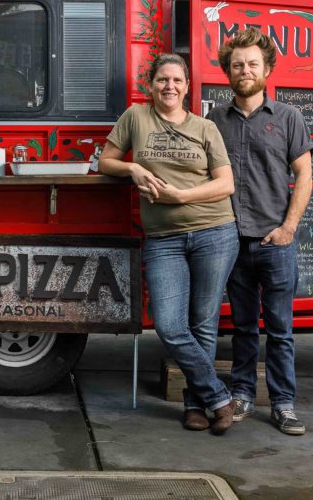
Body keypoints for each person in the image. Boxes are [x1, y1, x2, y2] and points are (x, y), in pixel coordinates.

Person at [98, 53, 239, 434]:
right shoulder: (136, 117)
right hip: (163, 239)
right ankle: (219, 398)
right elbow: (104, 162)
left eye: (177, 80)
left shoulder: (205, 127)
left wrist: (181, 198)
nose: (169, 87)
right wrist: (133, 167)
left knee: (204, 324)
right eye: (162, 80)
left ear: (187, 86)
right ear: (151, 85)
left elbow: (225, 184)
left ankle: (196, 405)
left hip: (214, 231)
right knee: (170, 324)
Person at [206, 28, 313, 436]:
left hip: (275, 243)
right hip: (231, 243)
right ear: (227, 72)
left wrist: (288, 228)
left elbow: (305, 176)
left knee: (281, 330)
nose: (245, 70)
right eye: (237, 65)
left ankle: (284, 404)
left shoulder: (289, 118)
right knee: (242, 327)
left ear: (267, 69)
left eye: (253, 64)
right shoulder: (214, 120)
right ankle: (243, 396)